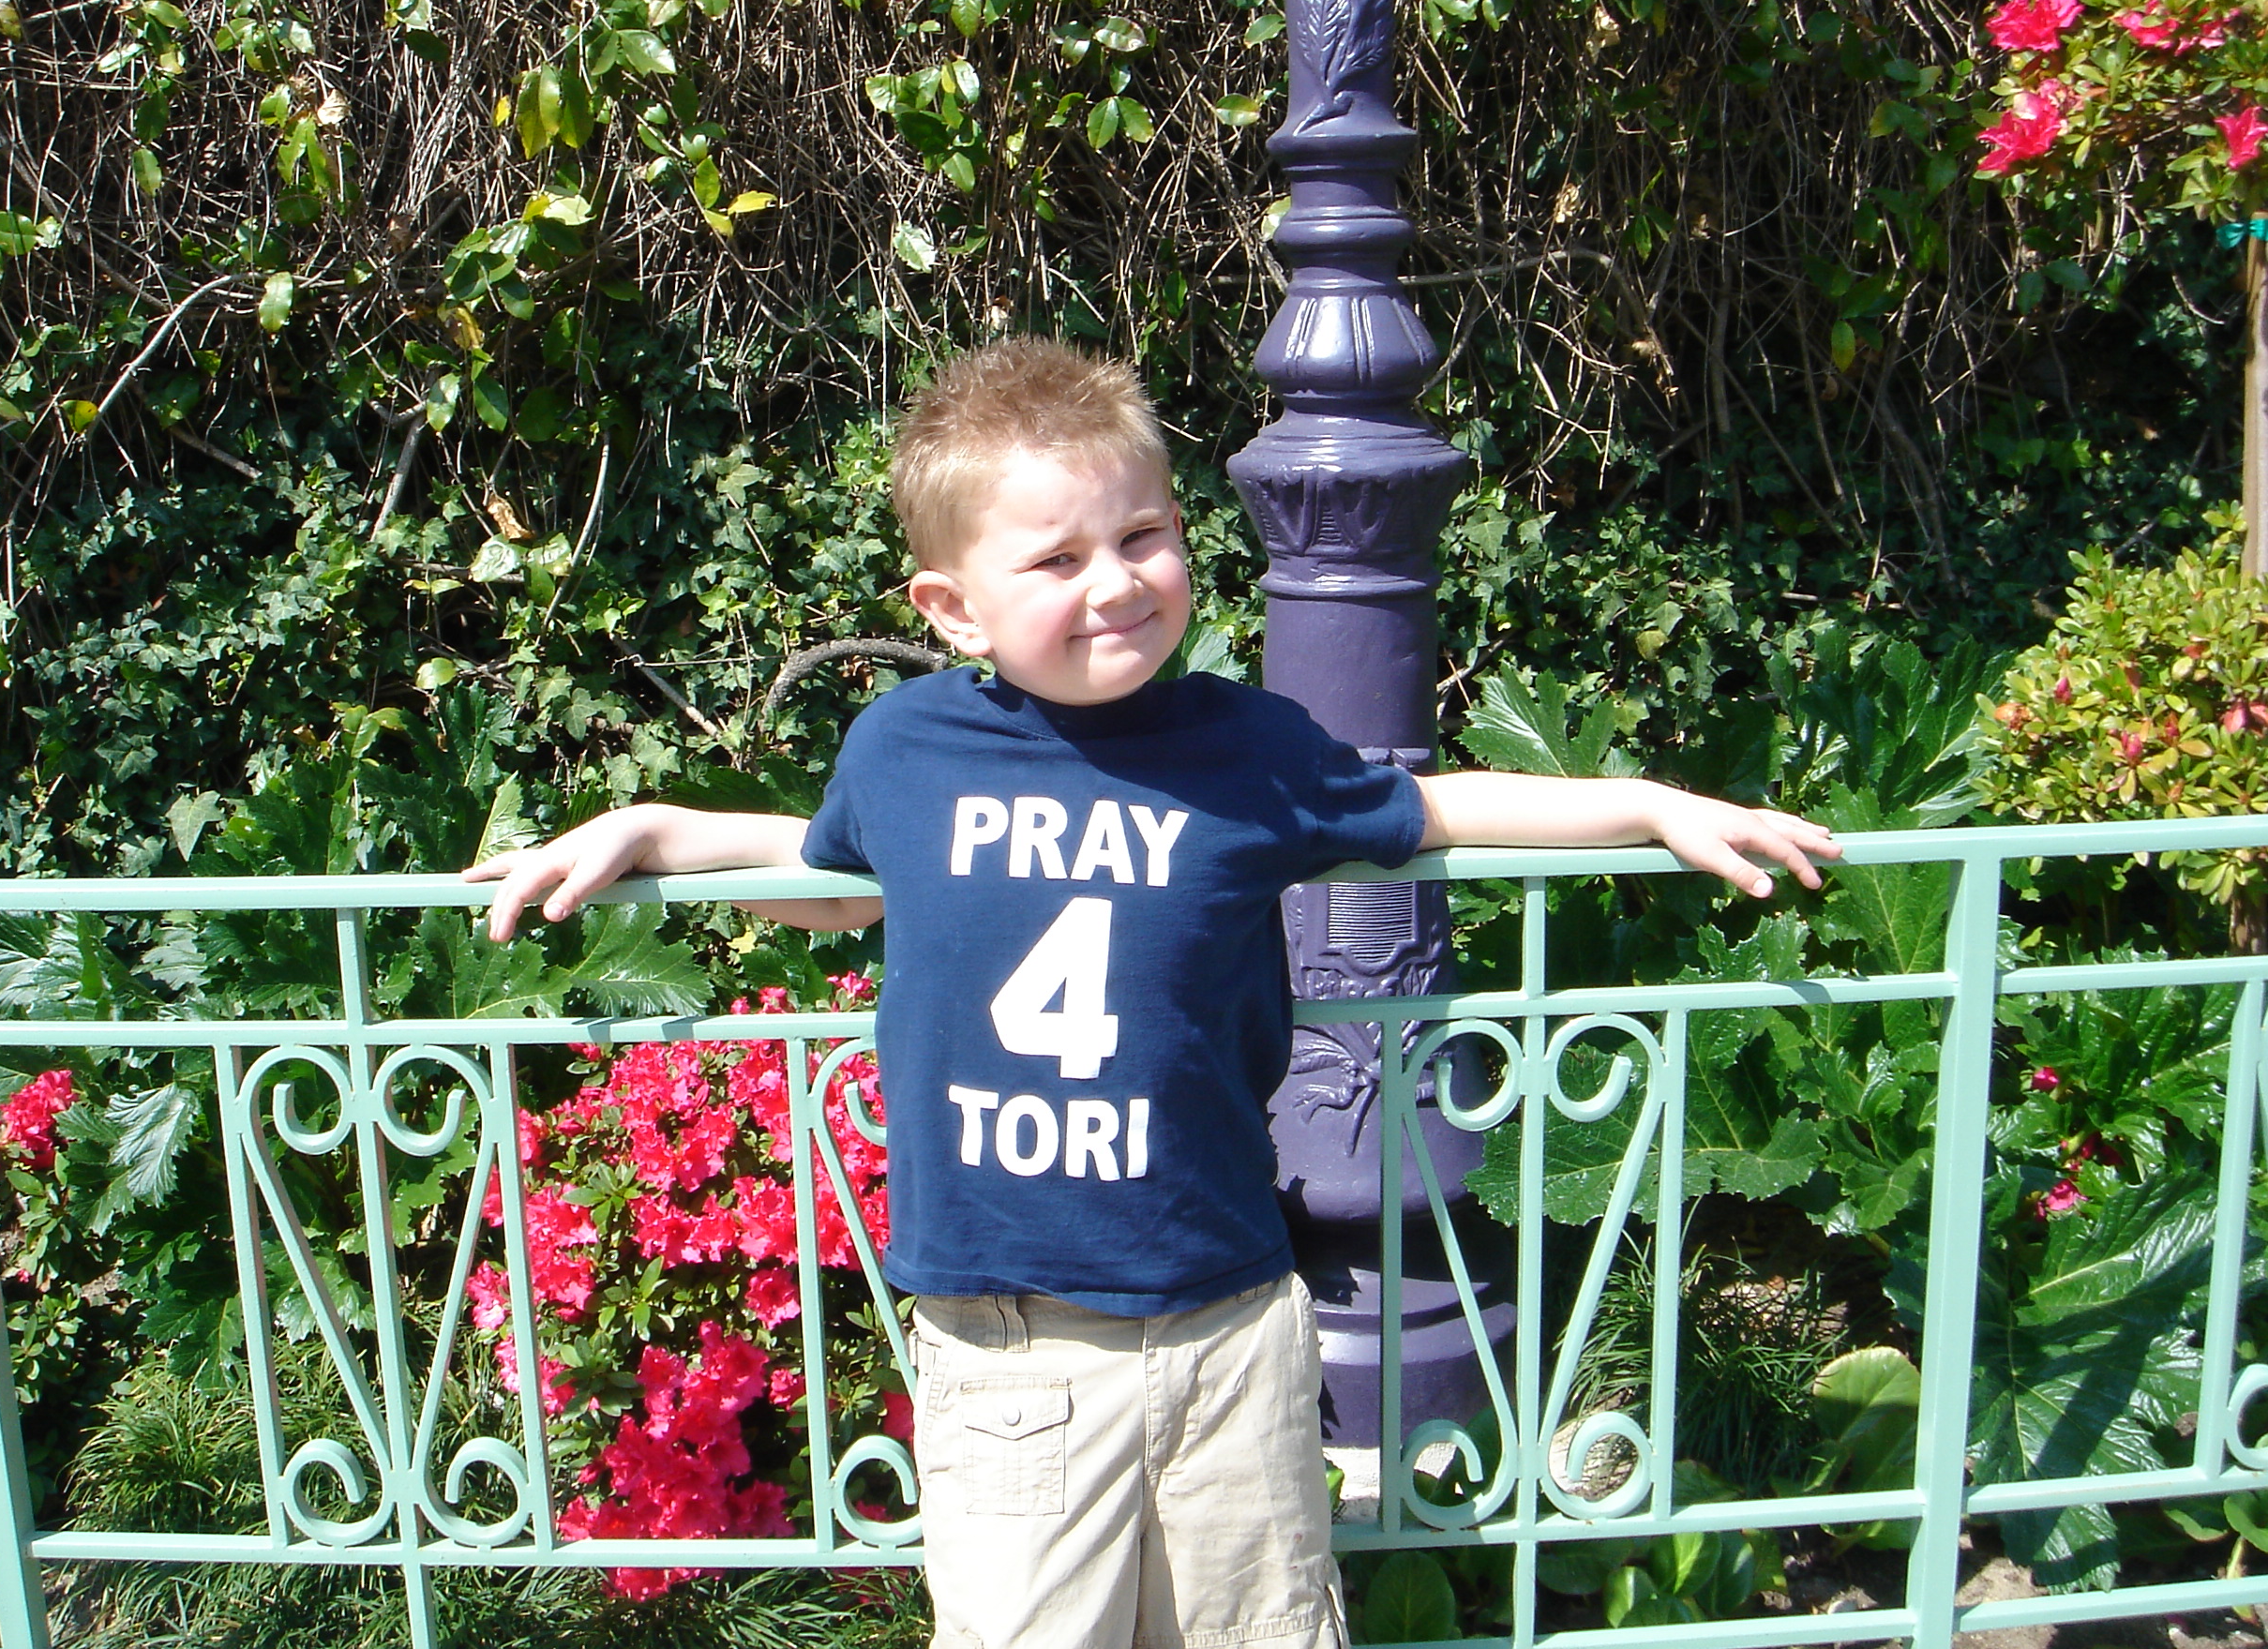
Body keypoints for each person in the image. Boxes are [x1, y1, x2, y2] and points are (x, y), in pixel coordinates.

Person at [468, 337, 1840, 1649]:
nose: (1115, 582)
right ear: (950, 606)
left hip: (1228, 1321)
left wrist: (1650, 804)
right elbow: (836, 881)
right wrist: (654, 827)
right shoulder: (906, 748)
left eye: (1142, 537)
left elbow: (1429, 809)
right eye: (1055, 559)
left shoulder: (1250, 752)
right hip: (1010, 1343)